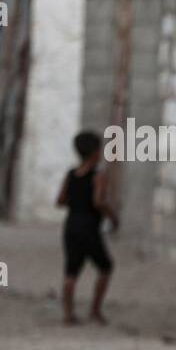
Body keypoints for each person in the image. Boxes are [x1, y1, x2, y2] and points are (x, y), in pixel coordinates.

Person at [56, 130, 118, 325]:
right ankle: (95, 309)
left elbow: (60, 200)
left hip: (71, 225)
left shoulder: (70, 174)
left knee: (71, 270)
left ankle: (68, 314)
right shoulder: (98, 175)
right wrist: (113, 216)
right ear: (94, 152)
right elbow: (98, 200)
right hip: (89, 226)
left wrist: (76, 202)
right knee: (106, 266)